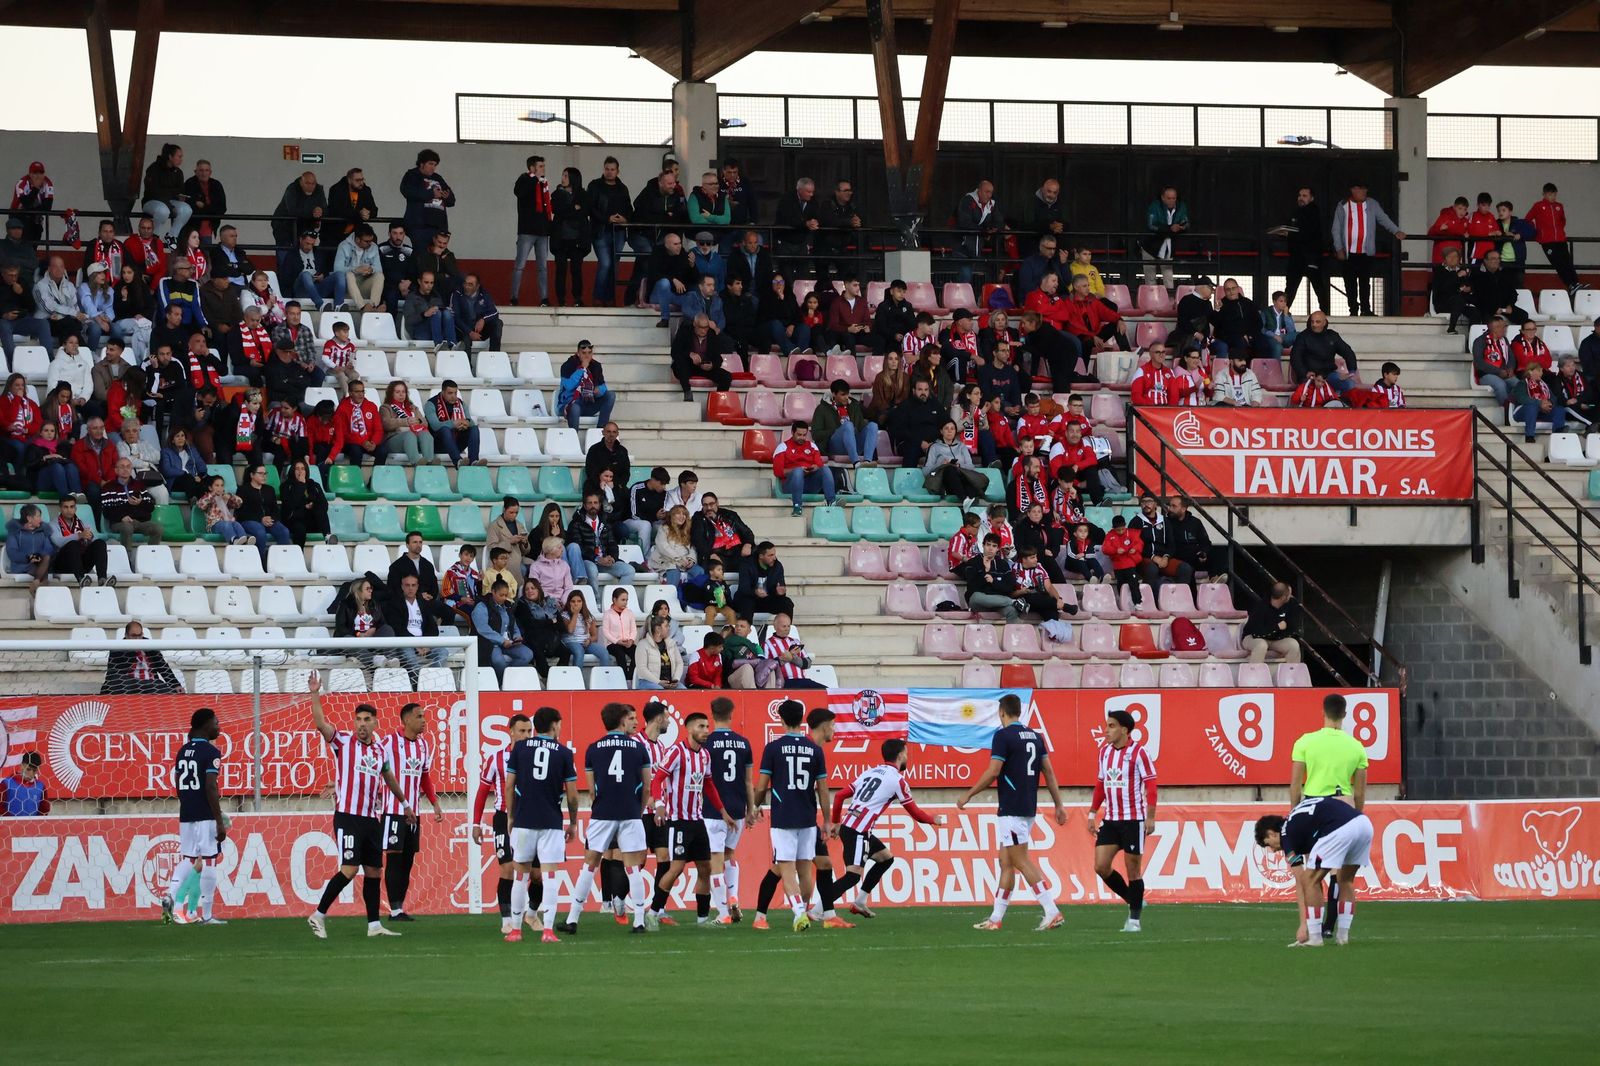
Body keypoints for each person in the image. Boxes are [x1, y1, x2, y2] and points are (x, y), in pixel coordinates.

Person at [306, 675, 410, 939]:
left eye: (367, 720)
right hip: (348, 817)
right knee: (350, 869)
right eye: (358, 719)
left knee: (374, 871)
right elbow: (320, 723)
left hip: (371, 820)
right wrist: (315, 693)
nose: (361, 724)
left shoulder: (379, 751)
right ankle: (318, 915)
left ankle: (374, 925)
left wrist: (406, 804)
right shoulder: (342, 742)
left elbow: (390, 778)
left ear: (375, 723)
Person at [957, 693, 1067, 931]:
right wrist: (1059, 805)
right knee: (1005, 862)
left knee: (1019, 860)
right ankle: (996, 919)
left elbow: (993, 771)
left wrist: (968, 794)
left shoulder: (1003, 735)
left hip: (1012, 807)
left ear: (1002, 712)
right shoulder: (1035, 736)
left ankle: (1052, 910)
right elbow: (1048, 771)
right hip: (1027, 806)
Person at [821, 737, 942, 921]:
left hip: (851, 826)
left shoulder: (870, 772)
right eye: (907, 754)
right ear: (901, 755)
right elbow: (915, 813)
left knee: (886, 859)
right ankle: (817, 909)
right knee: (853, 876)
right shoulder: (897, 780)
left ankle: (860, 902)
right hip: (858, 832)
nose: (907, 757)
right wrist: (933, 819)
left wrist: (837, 823)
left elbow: (839, 796)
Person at [1285, 691, 1371, 945]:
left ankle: (1315, 932)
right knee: (1342, 876)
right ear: (1344, 715)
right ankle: (1336, 932)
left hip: (1314, 807)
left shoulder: (1305, 742)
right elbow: (1361, 791)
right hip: (1344, 805)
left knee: (1313, 874)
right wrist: (1357, 814)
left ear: (1322, 713)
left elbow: (1295, 786)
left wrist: (1294, 812)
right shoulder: (1357, 746)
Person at [562, 702, 653, 934]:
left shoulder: (594, 749)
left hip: (603, 812)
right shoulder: (638, 748)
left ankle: (572, 919)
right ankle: (639, 920)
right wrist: (638, 809)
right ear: (622, 720)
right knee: (632, 868)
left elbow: (591, 790)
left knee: (590, 864)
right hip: (630, 812)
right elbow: (646, 788)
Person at [750, 700, 830, 932]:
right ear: (802, 719)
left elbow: (763, 785)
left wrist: (755, 807)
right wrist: (826, 820)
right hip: (807, 816)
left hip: (784, 816)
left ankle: (798, 914)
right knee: (805, 869)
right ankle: (802, 910)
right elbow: (823, 788)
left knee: (786, 868)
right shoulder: (815, 749)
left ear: (781, 720)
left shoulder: (773, 748)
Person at [1255, 795, 1373, 947]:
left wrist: (1304, 925)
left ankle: (1315, 938)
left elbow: (1301, 878)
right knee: (1345, 880)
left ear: (1271, 833)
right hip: (1363, 824)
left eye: (1268, 844)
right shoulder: (1296, 819)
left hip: (1340, 828)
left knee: (1309, 880)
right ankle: (1343, 937)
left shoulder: (1285, 834)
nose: (1272, 850)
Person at [505, 705, 579, 943]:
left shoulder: (520, 749)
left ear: (536, 726)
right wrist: (574, 822)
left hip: (524, 819)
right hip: (551, 821)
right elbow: (573, 795)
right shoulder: (564, 753)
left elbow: (509, 785)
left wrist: (510, 815)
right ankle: (547, 931)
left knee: (520, 875)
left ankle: (515, 930)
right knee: (548, 876)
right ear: (555, 724)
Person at [1085, 709, 1158, 933]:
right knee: (1100, 866)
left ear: (1124, 730)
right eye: (1107, 725)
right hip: (1111, 818)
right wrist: (1092, 812)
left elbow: (1151, 785)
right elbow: (1100, 784)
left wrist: (1150, 817)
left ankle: (1134, 920)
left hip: (1133, 820)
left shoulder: (1139, 753)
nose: (1106, 730)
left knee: (1133, 870)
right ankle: (1133, 898)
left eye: (1111, 726)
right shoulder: (1104, 753)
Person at [158, 708, 227, 925]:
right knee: (210, 861)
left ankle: (170, 893)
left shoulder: (182, 751)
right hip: (205, 815)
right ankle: (206, 915)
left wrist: (187, 804)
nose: (219, 726)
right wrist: (218, 820)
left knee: (189, 858)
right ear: (205, 725)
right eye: (216, 722)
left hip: (186, 813)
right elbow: (210, 787)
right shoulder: (211, 752)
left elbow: (178, 784)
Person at [471, 712, 533, 937]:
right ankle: (507, 919)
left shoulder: (537, 758)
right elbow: (481, 792)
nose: (526, 736)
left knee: (534, 873)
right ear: (511, 732)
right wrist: (475, 823)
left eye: (529, 731)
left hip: (530, 819)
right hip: (503, 819)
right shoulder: (496, 758)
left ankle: (531, 913)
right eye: (522, 731)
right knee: (507, 869)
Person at [1331, 182, 1406, 316]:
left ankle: (1365, 309)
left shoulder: (1372, 204)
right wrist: (1339, 248)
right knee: (1350, 283)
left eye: (1366, 189)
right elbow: (1336, 228)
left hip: (1366, 252)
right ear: (1353, 189)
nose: (1364, 192)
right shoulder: (1342, 205)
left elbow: (1383, 219)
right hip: (1348, 253)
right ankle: (1353, 310)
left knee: (1365, 282)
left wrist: (1396, 231)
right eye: (1361, 189)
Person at [566, 491, 634, 592]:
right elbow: (579, 548)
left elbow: (612, 544)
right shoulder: (576, 523)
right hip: (588, 561)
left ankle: (616, 600)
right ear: (584, 505)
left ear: (600, 504)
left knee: (629, 570)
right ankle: (595, 601)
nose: (593, 505)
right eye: (590, 503)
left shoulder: (605, 522)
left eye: (595, 503)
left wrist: (612, 558)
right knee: (592, 570)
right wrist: (597, 558)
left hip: (605, 561)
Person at [474, 578, 534, 683]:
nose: (504, 598)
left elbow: (513, 625)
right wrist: (502, 641)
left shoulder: (507, 606)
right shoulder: (482, 606)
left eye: (506, 595)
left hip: (509, 642)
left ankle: (508, 679)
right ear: (493, 592)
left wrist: (516, 636)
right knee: (498, 661)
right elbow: (483, 628)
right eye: (501, 595)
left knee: (527, 654)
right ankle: (501, 682)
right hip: (491, 643)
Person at [1527, 182, 1582, 295]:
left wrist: (1559, 232)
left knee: (1567, 262)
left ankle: (1576, 283)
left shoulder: (1559, 206)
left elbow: (1562, 221)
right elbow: (1528, 219)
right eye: (1550, 194)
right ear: (1544, 194)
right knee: (1558, 263)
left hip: (1561, 240)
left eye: (1554, 195)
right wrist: (1537, 232)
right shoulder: (1538, 206)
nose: (1552, 197)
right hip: (1547, 242)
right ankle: (1570, 285)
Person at [100, 620, 184, 694]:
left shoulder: (149, 646)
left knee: (167, 690)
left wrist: (175, 684)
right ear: (126, 635)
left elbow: (162, 666)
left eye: (139, 635)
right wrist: (132, 650)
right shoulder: (117, 648)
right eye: (133, 636)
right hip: (128, 685)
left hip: (151, 685)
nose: (137, 639)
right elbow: (112, 676)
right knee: (117, 682)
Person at [772, 420, 836, 516]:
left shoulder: (812, 446)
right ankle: (797, 507)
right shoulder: (782, 447)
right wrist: (797, 470)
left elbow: (819, 464)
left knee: (825, 469)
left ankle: (832, 502)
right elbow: (777, 472)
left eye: (804, 435)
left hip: (809, 484)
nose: (802, 438)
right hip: (790, 485)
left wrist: (815, 468)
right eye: (799, 435)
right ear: (792, 433)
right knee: (798, 471)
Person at [1290, 311, 1360, 395]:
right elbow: (1295, 358)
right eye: (1312, 322)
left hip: (1329, 375)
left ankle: (1342, 406)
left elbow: (1348, 352)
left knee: (1349, 384)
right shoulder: (1302, 337)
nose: (1314, 324)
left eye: (1318, 322)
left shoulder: (1332, 336)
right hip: (1310, 376)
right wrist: (1304, 373)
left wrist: (1351, 372)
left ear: (1324, 322)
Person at [549, 166, 590, 307]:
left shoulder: (583, 195)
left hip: (577, 240)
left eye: (566, 176)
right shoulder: (556, 194)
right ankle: (561, 300)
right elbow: (556, 210)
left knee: (576, 270)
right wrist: (573, 208)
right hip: (560, 239)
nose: (563, 178)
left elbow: (584, 211)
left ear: (573, 178)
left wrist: (567, 210)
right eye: (563, 175)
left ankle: (577, 299)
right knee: (560, 270)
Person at [669, 313, 733, 400]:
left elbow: (718, 357)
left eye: (706, 327)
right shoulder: (684, 332)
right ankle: (687, 392)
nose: (703, 331)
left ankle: (718, 401)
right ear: (694, 324)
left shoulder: (711, 334)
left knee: (726, 376)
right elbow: (675, 351)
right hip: (687, 365)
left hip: (704, 367)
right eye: (700, 327)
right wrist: (689, 354)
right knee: (681, 363)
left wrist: (712, 365)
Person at [401, 149, 455, 247]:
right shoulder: (412, 175)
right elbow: (407, 191)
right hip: (420, 226)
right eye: (430, 164)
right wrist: (431, 194)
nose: (433, 167)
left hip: (439, 226)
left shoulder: (438, 178)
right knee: (422, 256)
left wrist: (447, 197)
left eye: (435, 165)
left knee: (437, 257)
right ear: (421, 163)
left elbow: (452, 200)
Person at [557, 341, 615, 431]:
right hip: (569, 403)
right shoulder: (567, 365)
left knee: (610, 395)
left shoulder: (596, 366)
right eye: (583, 353)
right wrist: (581, 369)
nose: (587, 356)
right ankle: (573, 438)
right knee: (575, 408)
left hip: (588, 403)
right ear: (578, 353)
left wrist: (598, 390)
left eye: (589, 353)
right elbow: (568, 386)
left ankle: (599, 430)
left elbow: (603, 387)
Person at [923, 418, 985, 502]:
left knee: (964, 476)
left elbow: (971, 467)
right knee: (949, 469)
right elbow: (925, 471)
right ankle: (965, 499)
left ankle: (970, 500)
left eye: (952, 428)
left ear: (955, 431)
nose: (949, 431)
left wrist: (959, 465)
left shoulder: (962, 446)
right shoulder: (934, 447)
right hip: (943, 483)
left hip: (961, 479)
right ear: (941, 431)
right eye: (946, 428)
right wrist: (940, 464)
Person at [425, 378, 481, 467]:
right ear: (443, 392)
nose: (454, 396)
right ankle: (458, 461)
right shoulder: (431, 404)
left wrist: (465, 424)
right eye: (450, 393)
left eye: (455, 393)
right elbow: (435, 426)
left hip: (457, 441)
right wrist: (454, 424)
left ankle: (474, 461)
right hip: (438, 443)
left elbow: (471, 422)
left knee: (474, 429)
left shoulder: (461, 404)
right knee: (445, 429)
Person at [1141, 186, 1188, 291]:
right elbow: (1151, 225)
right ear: (1163, 198)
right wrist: (1170, 229)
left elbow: (1186, 222)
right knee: (1150, 278)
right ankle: (1151, 303)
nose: (1172, 201)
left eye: (1174, 198)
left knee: (1168, 277)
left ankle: (1170, 302)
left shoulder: (1181, 206)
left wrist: (1181, 227)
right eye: (1169, 198)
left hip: (1168, 246)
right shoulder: (1155, 206)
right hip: (1150, 246)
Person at [141, 144, 191, 243]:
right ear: (170, 157)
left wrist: (179, 196)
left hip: (170, 202)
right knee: (163, 211)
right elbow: (153, 191)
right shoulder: (154, 169)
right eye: (179, 156)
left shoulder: (178, 172)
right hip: (151, 201)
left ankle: (172, 236)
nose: (181, 159)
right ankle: (154, 237)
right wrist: (172, 195)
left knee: (186, 209)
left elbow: (180, 190)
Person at [332, 224, 385, 313]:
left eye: (371, 240)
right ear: (357, 239)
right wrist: (356, 269)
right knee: (349, 274)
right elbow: (337, 269)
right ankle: (362, 307)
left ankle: (373, 306)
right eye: (367, 241)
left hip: (364, 283)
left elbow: (379, 269)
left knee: (379, 275)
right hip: (348, 288)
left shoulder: (374, 247)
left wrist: (371, 270)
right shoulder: (344, 246)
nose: (370, 243)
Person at [331, 380, 386, 465]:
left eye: (362, 391)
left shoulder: (371, 406)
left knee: (382, 451)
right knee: (355, 451)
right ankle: (356, 477)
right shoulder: (342, 408)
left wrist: (373, 442)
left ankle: (376, 477)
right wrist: (362, 442)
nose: (361, 394)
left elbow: (378, 429)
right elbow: (343, 433)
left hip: (369, 442)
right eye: (357, 391)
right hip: (351, 443)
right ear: (350, 393)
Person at [278, 230, 337, 309]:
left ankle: (338, 305)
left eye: (312, 244)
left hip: (317, 285)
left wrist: (323, 275)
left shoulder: (318, 253)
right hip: (301, 289)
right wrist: (305, 277)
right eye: (307, 243)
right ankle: (320, 304)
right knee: (305, 274)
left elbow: (326, 269)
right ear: (300, 240)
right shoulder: (292, 255)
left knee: (339, 275)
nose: (309, 247)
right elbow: (286, 278)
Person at [281, 459, 331, 546]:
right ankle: (299, 554)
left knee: (319, 507)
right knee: (300, 529)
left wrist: (313, 505)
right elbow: (291, 504)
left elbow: (324, 504)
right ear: (293, 471)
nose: (300, 471)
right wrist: (301, 484)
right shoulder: (286, 486)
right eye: (297, 469)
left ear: (306, 471)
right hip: (295, 519)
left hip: (312, 518)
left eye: (303, 469)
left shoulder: (314, 485)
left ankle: (328, 537)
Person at [1471, 249, 1525, 326]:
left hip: (1505, 307)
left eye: (1498, 258)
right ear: (1485, 261)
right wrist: (1494, 309)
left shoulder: (1504, 275)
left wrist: (1510, 305)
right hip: (1487, 309)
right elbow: (1479, 298)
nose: (1496, 261)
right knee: (1488, 319)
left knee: (1523, 315)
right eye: (1493, 259)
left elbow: (1513, 293)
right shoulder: (1477, 276)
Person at [1513, 362, 1564, 443]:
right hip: (1523, 411)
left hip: (1541, 411)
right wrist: (1539, 403)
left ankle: (1558, 434)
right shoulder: (1522, 384)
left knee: (1560, 410)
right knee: (1531, 407)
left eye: (1542, 371)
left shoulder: (1544, 385)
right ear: (1530, 372)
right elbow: (1522, 398)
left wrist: (1549, 403)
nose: (1542, 373)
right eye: (1539, 371)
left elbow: (1553, 398)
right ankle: (1529, 436)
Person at [403, 270, 455, 350]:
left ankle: (452, 344)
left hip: (437, 329)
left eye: (431, 283)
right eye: (426, 282)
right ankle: (438, 345)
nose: (429, 285)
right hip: (420, 330)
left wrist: (445, 310)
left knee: (447, 313)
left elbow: (442, 312)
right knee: (436, 313)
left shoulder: (436, 296)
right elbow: (409, 320)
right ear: (419, 281)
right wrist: (424, 314)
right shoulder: (412, 297)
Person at [560, 588, 612, 668]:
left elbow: (595, 636)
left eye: (579, 601)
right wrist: (575, 614)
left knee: (604, 652)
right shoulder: (565, 615)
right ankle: (577, 679)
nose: (576, 604)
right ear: (569, 603)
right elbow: (570, 630)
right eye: (573, 601)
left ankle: (604, 677)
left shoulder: (588, 616)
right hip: (571, 642)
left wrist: (590, 640)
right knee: (579, 651)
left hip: (586, 643)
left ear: (583, 603)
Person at [1472, 315, 1517, 405]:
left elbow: (1511, 358)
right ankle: (1506, 412)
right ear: (1490, 328)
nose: (1502, 329)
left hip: (1505, 373)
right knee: (1500, 385)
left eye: (1503, 326)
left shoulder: (1504, 340)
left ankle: (1516, 409)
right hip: (1487, 375)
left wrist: (1511, 368)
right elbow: (1479, 363)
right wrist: (1498, 371)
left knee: (1519, 385)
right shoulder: (1480, 341)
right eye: (1498, 327)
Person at [451, 273, 502, 353]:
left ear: (477, 286)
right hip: (464, 329)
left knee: (498, 323)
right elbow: (455, 317)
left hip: (479, 329)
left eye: (470, 284)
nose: (466, 286)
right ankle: (467, 365)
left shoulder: (484, 295)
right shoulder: (457, 294)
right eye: (465, 283)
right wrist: (470, 332)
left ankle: (493, 356)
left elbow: (494, 313)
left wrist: (483, 320)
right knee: (465, 339)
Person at [1432, 247, 1477, 334]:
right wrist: (1457, 276)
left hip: (1460, 303)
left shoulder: (1462, 271)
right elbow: (1442, 289)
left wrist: (1469, 288)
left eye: (1455, 256)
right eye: (1449, 256)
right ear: (1445, 259)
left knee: (1474, 312)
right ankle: (1451, 328)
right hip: (1444, 302)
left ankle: (1472, 337)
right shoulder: (1439, 271)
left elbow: (1470, 284)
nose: (1453, 259)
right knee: (1458, 300)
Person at [602, 586, 639, 680]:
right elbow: (605, 632)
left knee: (638, 653)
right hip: (613, 644)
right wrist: (617, 641)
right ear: (614, 599)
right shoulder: (608, 614)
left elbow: (633, 629)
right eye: (623, 600)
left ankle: (630, 678)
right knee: (620, 655)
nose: (625, 602)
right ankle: (624, 679)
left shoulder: (629, 613)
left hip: (627, 642)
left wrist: (631, 640)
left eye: (626, 600)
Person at [0, 750, 50, 816]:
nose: (31, 774)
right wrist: (12, 820)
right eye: (28, 769)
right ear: (21, 766)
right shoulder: (6, 784)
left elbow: (44, 810)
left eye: (34, 771)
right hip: (10, 825)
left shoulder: (40, 787)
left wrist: (35, 822)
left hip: (33, 825)